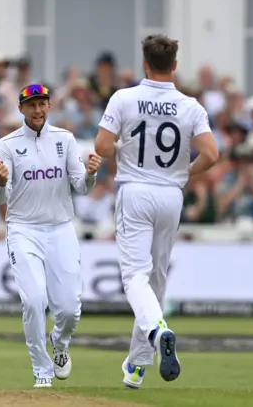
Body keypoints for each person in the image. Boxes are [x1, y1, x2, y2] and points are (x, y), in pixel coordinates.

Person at [94, 34, 219, 389]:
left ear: (145, 63)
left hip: (136, 191)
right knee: (156, 279)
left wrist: (123, 146)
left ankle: (156, 330)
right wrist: (185, 172)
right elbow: (211, 154)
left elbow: (102, 145)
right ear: (175, 65)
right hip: (171, 194)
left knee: (134, 276)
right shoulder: (190, 105)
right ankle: (136, 367)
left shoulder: (125, 98)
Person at [0, 84, 101, 388]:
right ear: (21, 109)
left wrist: (90, 173)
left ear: (49, 106)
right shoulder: (8, 144)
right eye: (31, 105)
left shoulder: (64, 140)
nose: (37, 111)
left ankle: (60, 343)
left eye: (42, 104)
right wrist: (0, 183)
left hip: (61, 227)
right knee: (35, 300)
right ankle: (42, 369)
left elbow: (80, 186)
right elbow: (0, 198)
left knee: (68, 309)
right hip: (24, 230)